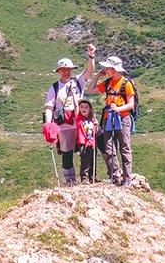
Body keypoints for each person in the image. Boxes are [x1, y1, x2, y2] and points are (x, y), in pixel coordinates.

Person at [44, 44, 96, 185]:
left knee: (87, 150)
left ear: (72, 70)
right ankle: (70, 181)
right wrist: (48, 125)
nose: (66, 72)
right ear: (59, 71)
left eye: (68, 69)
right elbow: (49, 106)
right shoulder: (54, 88)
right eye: (63, 69)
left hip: (80, 123)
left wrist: (91, 56)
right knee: (67, 154)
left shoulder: (78, 81)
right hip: (65, 126)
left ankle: (87, 178)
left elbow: (90, 70)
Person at [87, 55, 135, 186]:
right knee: (109, 148)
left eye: (107, 68)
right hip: (108, 118)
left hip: (123, 118)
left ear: (114, 69)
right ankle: (115, 176)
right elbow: (90, 89)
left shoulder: (127, 83)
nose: (106, 70)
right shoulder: (108, 82)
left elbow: (131, 104)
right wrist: (98, 75)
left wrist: (118, 108)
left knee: (124, 147)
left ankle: (127, 178)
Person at [75, 99, 99, 184]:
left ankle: (93, 177)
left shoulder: (92, 120)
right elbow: (75, 107)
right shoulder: (78, 118)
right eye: (81, 107)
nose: (83, 108)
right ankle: (84, 178)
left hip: (92, 142)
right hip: (83, 142)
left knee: (93, 160)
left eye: (86, 107)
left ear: (90, 109)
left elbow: (95, 132)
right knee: (85, 160)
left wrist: (96, 123)